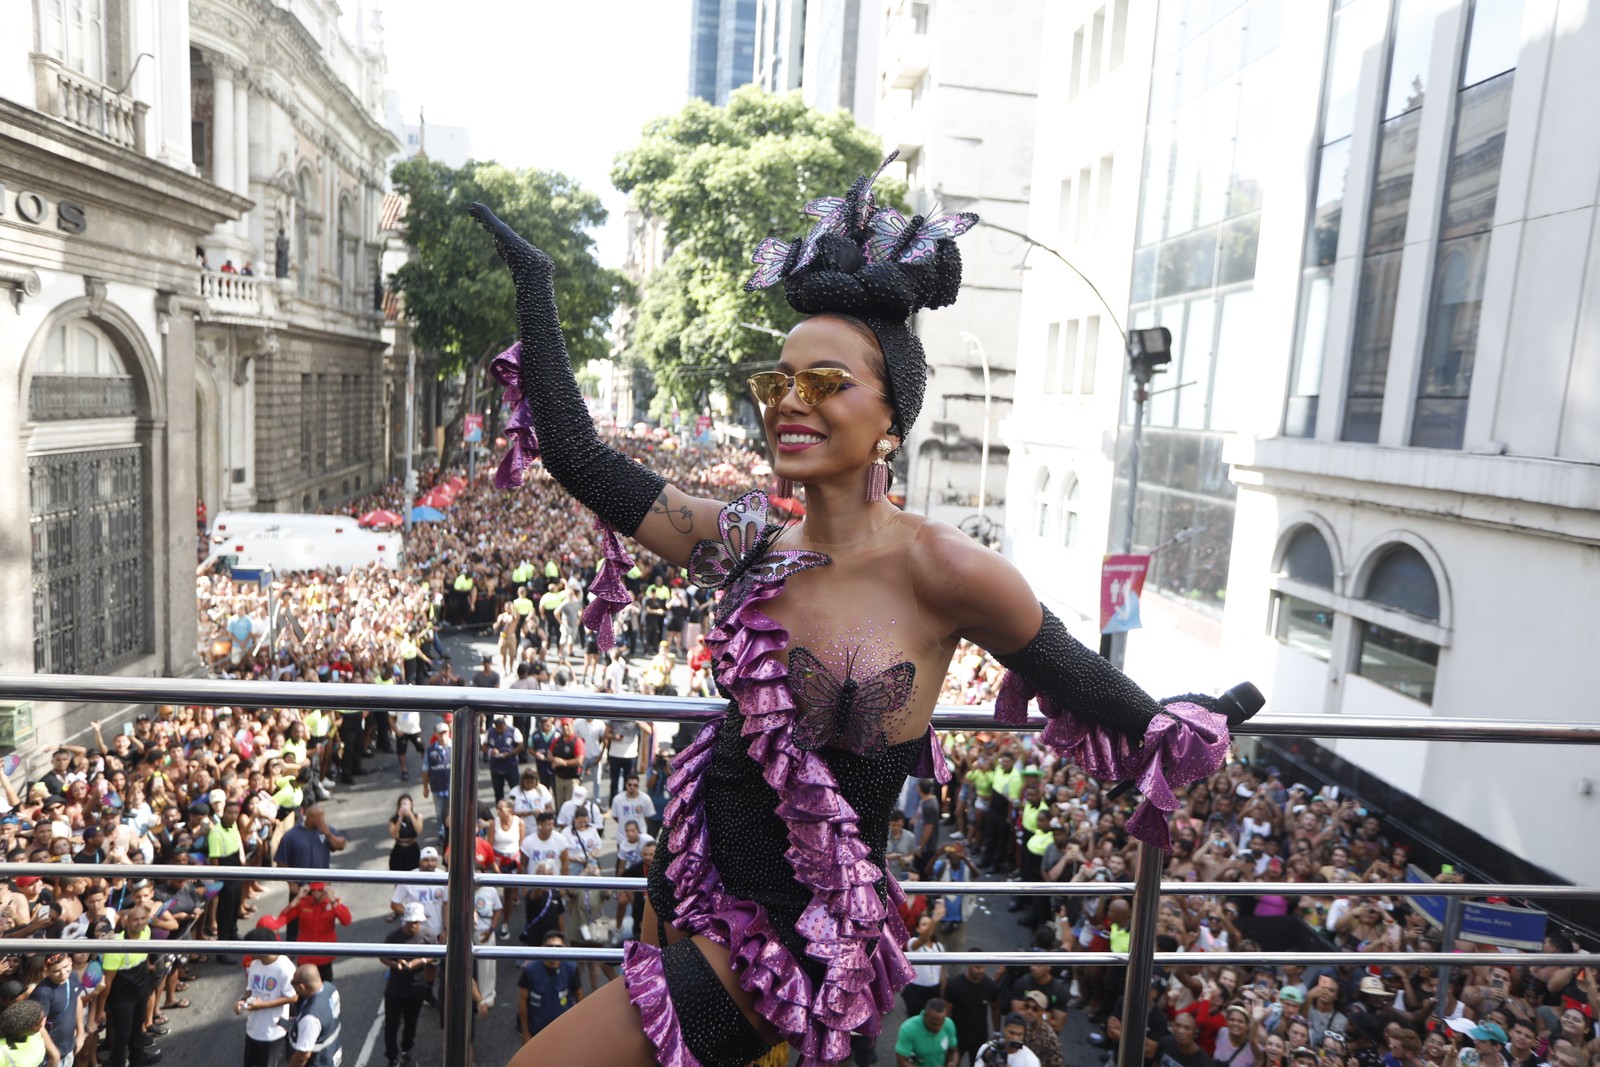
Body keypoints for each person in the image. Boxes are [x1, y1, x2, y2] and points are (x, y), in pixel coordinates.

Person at [471, 158, 1250, 1067]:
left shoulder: (945, 569)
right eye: (781, 380)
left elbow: (1074, 668)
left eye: (827, 382)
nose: (789, 405)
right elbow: (580, 456)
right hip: (692, 888)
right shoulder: (751, 539)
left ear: (891, 417)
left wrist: (1180, 717)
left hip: (792, 955)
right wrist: (539, 285)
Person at [236, 927, 297, 1067]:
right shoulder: (254, 964)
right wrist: (241, 1001)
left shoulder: (284, 968)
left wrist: (263, 1005)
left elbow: (293, 997)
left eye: (249, 948)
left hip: (272, 1032)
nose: (247, 952)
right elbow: (249, 989)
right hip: (253, 1028)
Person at [380, 904, 431, 1067]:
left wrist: (420, 961)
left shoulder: (428, 935)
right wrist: (395, 964)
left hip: (416, 989)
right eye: (410, 922)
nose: (413, 925)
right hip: (395, 989)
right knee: (391, 1025)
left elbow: (434, 954)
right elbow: (383, 957)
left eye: (416, 922)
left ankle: (406, 1049)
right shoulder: (393, 936)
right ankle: (391, 1056)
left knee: (411, 1022)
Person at [276, 884, 353, 983]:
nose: (316, 893)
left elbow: (346, 921)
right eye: (314, 890)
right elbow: (282, 919)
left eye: (319, 890)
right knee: (302, 991)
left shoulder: (333, 903)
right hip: (305, 956)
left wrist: (333, 900)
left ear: (325, 890)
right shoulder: (302, 903)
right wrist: (297, 898)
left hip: (324, 956)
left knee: (325, 989)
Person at [518, 931, 584, 1044]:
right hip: (537, 1032)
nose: (554, 949)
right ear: (542, 948)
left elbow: (580, 998)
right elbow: (522, 1000)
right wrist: (525, 1032)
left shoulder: (571, 968)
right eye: (549, 946)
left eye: (558, 946)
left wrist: (581, 1028)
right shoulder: (530, 970)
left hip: (563, 1031)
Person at [942, 960, 999, 1067]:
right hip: (957, 1037)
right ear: (969, 965)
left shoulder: (990, 986)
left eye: (983, 967)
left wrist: (997, 1032)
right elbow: (945, 1012)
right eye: (977, 967)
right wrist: (943, 1033)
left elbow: (996, 1008)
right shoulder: (955, 984)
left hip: (979, 1037)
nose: (981, 970)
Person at [284, 966, 340, 1067]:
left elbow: (303, 1055)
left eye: (294, 985)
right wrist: (296, 1023)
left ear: (302, 986)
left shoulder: (311, 1018)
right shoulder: (330, 989)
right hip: (330, 1056)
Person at [895, 998, 958, 1067]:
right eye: (934, 1023)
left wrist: (953, 1062)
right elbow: (901, 1062)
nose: (938, 1028)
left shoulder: (949, 1024)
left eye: (942, 1023)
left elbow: (953, 1051)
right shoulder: (908, 1029)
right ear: (925, 1015)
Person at [421, 724, 452, 846]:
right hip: (437, 788)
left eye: (445, 732)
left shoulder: (455, 747)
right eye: (440, 733)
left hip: (453, 789)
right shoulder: (430, 751)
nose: (443, 735)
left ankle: (453, 833)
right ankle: (442, 833)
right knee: (440, 813)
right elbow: (425, 770)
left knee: (453, 811)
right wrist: (425, 787)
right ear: (436, 734)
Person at [975, 1014, 1042, 1067]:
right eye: (1011, 1033)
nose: (1015, 1038)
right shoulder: (987, 1048)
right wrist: (987, 1064)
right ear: (1004, 1030)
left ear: (1024, 1035)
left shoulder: (1031, 1060)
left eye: (1019, 1034)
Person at [388, 795, 423, 873]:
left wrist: (410, 814)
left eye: (407, 804)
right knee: (397, 876)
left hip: (412, 849)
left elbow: (418, 830)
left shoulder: (417, 816)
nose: (405, 806)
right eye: (402, 804)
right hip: (399, 849)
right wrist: (399, 819)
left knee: (414, 875)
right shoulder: (394, 819)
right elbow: (394, 834)